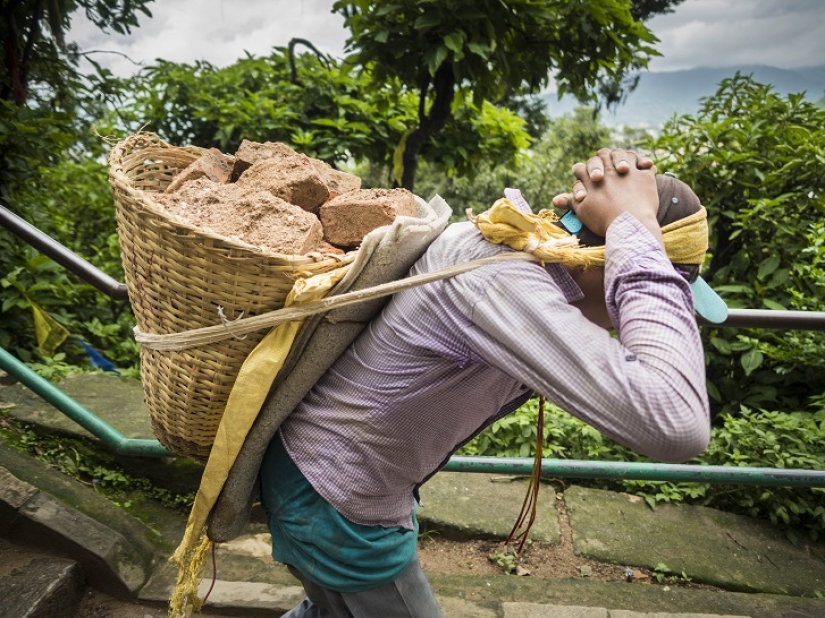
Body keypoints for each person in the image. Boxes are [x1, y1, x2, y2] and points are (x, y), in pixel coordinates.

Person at [259, 148, 722, 618]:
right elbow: (675, 423)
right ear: (612, 257)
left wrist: (630, 231)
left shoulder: (521, 264)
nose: (635, 315)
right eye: (646, 278)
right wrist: (635, 226)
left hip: (319, 474)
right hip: (336, 495)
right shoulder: (505, 281)